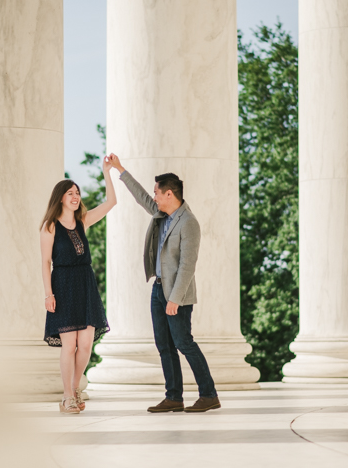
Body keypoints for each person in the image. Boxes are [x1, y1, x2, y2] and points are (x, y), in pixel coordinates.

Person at [107, 154, 220, 413]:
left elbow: (187, 266)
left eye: (158, 192)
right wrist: (120, 169)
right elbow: (141, 197)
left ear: (170, 194)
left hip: (175, 294)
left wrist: (174, 299)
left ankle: (209, 394)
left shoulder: (189, 223)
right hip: (157, 288)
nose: (154, 196)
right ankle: (173, 397)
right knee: (164, 345)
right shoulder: (161, 213)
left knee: (184, 343)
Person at [40, 157, 116, 414]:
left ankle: (74, 389)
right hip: (62, 286)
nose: (75, 196)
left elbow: (111, 203)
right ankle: (66, 397)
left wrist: (107, 172)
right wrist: (48, 294)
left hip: (85, 285)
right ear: (60, 198)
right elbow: (45, 262)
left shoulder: (83, 220)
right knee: (69, 345)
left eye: (77, 193)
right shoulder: (50, 227)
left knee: (85, 345)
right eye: (70, 193)